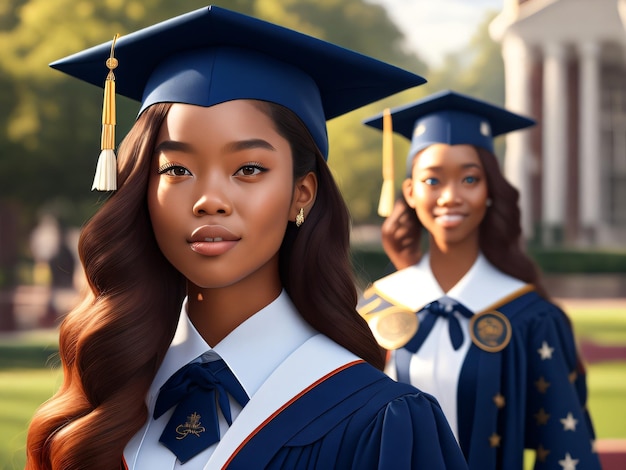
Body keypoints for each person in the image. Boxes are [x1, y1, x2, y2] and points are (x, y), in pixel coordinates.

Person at [25, 7, 469, 470]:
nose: (209, 200)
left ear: (302, 193)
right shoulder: (104, 400)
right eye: (177, 169)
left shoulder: (380, 421)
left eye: (249, 169)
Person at [357, 90, 601, 470]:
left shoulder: (530, 318)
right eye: (433, 180)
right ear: (409, 192)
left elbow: (564, 448)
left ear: (490, 191)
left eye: (469, 179)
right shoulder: (376, 307)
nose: (451, 196)